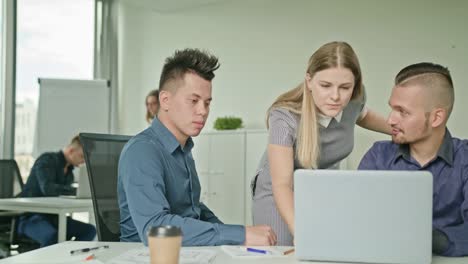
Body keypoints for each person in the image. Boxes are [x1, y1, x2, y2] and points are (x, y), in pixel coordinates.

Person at [118, 48, 277, 246]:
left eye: (207, 103)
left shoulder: (183, 149)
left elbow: (193, 210)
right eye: (193, 101)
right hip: (144, 255)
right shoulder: (142, 151)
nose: (203, 111)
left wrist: (236, 239)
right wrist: (239, 235)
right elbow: (155, 229)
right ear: (165, 100)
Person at [251, 41, 391, 245]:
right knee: (285, 252)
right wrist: (301, 232)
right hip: (278, 192)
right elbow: (281, 184)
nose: (335, 96)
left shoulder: (354, 99)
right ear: (309, 80)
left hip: (320, 188)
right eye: (325, 86)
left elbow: (362, 114)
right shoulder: (284, 118)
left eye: (345, 87)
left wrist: (399, 130)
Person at [359, 62, 468, 257]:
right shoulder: (377, 158)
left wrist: (423, 239)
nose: (390, 119)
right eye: (392, 109)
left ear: (436, 118)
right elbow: (358, 221)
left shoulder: (465, 160)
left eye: (403, 112)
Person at [17, 135, 96, 247]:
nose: (83, 161)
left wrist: (78, 192)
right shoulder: (46, 160)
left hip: (54, 217)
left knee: (89, 231)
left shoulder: (69, 173)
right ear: (71, 150)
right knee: (52, 237)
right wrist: (76, 190)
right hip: (31, 217)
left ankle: (65, 258)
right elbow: (48, 189)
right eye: (82, 156)